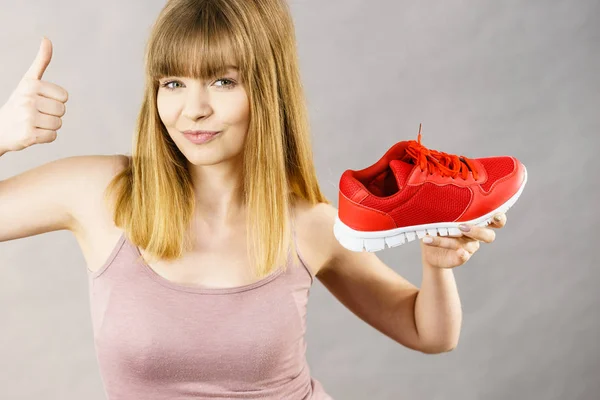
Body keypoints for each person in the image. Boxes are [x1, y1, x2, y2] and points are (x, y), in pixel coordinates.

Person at [0, 0, 508, 398]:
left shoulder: (309, 225)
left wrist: (438, 266)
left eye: (223, 81)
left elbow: (429, 333)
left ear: (267, 91)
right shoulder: (99, 194)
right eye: (173, 82)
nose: (193, 109)